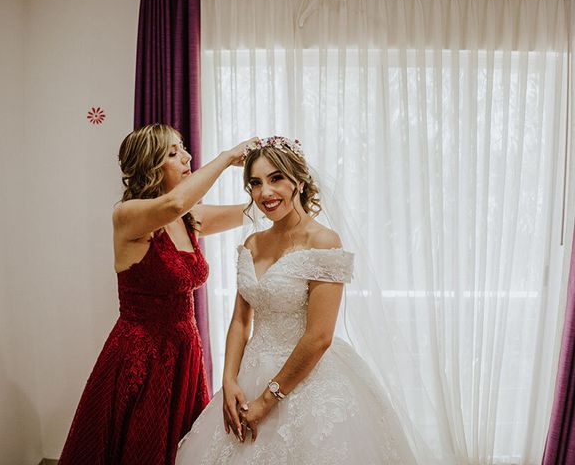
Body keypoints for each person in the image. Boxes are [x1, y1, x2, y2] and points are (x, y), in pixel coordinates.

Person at [175, 136, 418, 464]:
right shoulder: (253, 243)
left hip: (308, 378)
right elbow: (240, 321)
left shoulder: (323, 241)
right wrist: (229, 380)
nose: (265, 193)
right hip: (250, 372)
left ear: (299, 182)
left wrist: (266, 400)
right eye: (256, 183)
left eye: (276, 179)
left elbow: (319, 337)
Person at [58, 124, 255, 465]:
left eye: (183, 148)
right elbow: (173, 203)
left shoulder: (188, 218)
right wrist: (225, 158)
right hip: (142, 357)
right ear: (150, 166)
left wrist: (279, 185)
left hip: (184, 351)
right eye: (173, 152)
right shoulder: (128, 215)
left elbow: (250, 212)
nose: (187, 156)